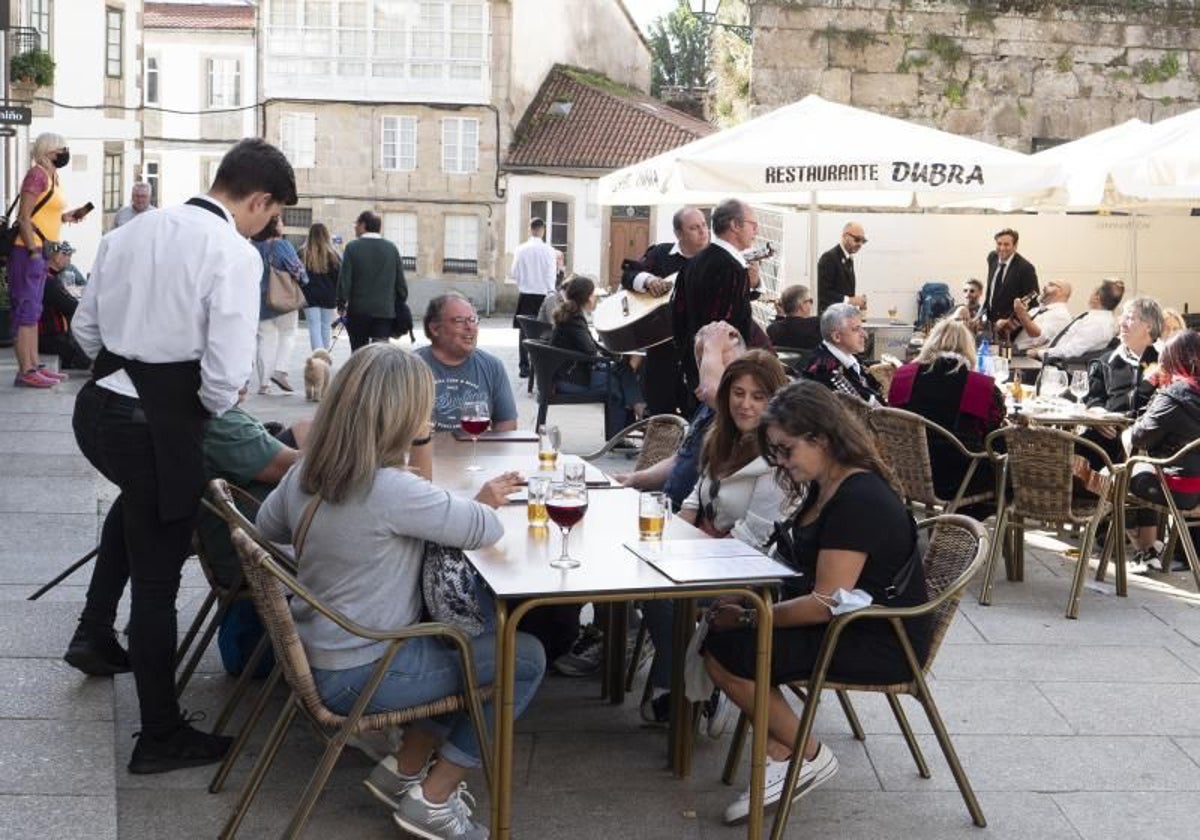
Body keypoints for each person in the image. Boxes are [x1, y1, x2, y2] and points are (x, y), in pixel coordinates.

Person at [65, 137, 296, 774]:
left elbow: (84, 333)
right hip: (156, 425)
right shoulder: (232, 251)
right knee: (159, 579)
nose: (266, 226)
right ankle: (160, 736)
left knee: (142, 516)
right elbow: (224, 375)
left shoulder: (133, 230)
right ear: (258, 199)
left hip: (99, 411)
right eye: (270, 215)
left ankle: (93, 631)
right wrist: (212, 394)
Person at [255, 344, 544, 839]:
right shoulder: (392, 489)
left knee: (462, 646)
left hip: (321, 648)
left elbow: (268, 525)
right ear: (402, 414)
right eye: (423, 406)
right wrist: (426, 439)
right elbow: (485, 527)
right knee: (523, 657)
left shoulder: (309, 471)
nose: (428, 413)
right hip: (361, 673)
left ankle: (403, 771)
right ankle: (433, 799)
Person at [704, 380, 927, 825]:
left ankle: (807, 755)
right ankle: (782, 750)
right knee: (723, 632)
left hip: (877, 638)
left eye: (786, 451)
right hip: (856, 623)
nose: (781, 462)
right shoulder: (828, 483)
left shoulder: (857, 498)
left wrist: (751, 615)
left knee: (727, 650)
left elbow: (826, 603)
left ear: (820, 438)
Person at [641, 351, 791, 725]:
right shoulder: (721, 437)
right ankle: (685, 679)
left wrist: (684, 554)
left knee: (662, 593)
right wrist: (674, 535)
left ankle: (676, 687)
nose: (745, 404)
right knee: (645, 575)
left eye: (758, 396)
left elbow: (755, 537)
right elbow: (696, 497)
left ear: (775, 401)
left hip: (753, 568)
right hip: (708, 550)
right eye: (738, 393)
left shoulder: (779, 458)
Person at [1081, 297, 1164, 571]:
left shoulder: (1163, 361)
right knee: (1078, 454)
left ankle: (1143, 544)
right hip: (1107, 439)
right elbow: (1093, 400)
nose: (1122, 322)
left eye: (1130, 317)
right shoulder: (1106, 362)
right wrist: (1096, 416)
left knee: (1142, 459)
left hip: (1147, 441)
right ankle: (1145, 546)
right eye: (1123, 316)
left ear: (1149, 327)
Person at [887, 318, 1005, 506]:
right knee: (1008, 461)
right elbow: (991, 428)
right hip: (959, 478)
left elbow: (893, 417)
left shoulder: (904, 376)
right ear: (968, 347)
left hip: (907, 472)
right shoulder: (978, 385)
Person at [9, 132, 90, 388]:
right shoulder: (36, 175)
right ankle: (26, 371)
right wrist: (33, 251)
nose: (64, 153)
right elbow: (24, 217)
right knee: (25, 312)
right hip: (27, 251)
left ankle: (34, 365)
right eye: (61, 149)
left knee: (33, 312)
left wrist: (67, 217)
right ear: (49, 150)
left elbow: (45, 214)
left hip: (41, 252)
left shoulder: (53, 176)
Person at [622, 206, 710, 416]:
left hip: (700, 356)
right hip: (661, 351)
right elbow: (629, 274)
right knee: (660, 417)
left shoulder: (715, 261)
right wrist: (648, 280)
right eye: (694, 228)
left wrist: (754, 282)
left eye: (704, 225)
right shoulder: (661, 254)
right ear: (679, 233)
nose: (703, 231)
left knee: (698, 417)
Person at [1128, 330, 1200, 572]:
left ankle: (1142, 548)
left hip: (1179, 490)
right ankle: (1148, 548)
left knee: (1118, 475)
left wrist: (1155, 390)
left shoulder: (1174, 395)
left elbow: (1140, 436)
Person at [672, 199, 761, 391]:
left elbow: (677, 321)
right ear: (735, 225)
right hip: (721, 379)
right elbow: (724, 331)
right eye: (753, 225)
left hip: (696, 373)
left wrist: (692, 370)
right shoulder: (732, 268)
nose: (756, 231)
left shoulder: (692, 263)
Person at [549, 275, 644, 437]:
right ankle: (630, 423)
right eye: (593, 295)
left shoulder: (572, 314)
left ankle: (635, 413)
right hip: (570, 379)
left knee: (623, 369)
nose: (595, 298)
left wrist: (615, 354)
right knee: (616, 384)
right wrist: (613, 355)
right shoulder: (574, 318)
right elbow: (591, 351)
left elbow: (591, 345)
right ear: (586, 297)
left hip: (569, 373)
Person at [415, 293, 518, 432]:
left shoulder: (492, 366)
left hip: (475, 451)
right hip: (424, 452)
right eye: (459, 320)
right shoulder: (409, 368)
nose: (470, 327)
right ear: (434, 328)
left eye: (473, 319)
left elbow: (506, 422)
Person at [337, 210, 408, 351]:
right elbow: (401, 285)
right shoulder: (391, 249)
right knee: (380, 355)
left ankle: (360, 373)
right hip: (384, 312)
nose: (355, 227)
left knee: (358, 353)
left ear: (363, 225)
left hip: (358, 311)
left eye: (356, 224)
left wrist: (341, 303)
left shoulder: (352, 248)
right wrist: (398, 301)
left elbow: (344, 280)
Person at [252, 215, 308, 394]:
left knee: (265, 340)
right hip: (284, 299)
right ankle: (280, 370)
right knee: (288, 334)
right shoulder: (283, 245)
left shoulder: (253, 247)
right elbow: (297, 270)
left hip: (260, 302)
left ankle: (264, 384)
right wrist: (304, 279)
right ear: (274, 227)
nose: (283, 225)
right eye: (281, 222)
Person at [800, 303, 885, 404]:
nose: (864, 335)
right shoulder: (826, 370)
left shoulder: (847, 355)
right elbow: (867, 410)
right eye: (856, 329)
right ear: (836, 337)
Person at [1029, 278, 1123, 362]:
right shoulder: (1097, 319)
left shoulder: (1097, 323)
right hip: (1055, 358)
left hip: (1061, 367)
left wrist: (1040, 353)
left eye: (1093, 292)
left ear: (1096, 297)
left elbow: (1072, 350)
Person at [510, 217, 558, 378]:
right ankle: (539, 367)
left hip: (526, 294)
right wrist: (551, 293)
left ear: (529, 229)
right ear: (543, 230)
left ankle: (524, 367)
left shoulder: (520, 249)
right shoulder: (550, 251)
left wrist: (524, 283)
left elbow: (514, 273)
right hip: (544, 296)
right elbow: (551, 275)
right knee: (545, 332)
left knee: (524, 332)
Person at [38, 240, 92, 371]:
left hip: (48, 336)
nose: (69, 260)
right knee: (85, 357)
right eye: (67, 255)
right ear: (57, 256)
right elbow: (70, 306)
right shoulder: (48, 280)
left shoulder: (48, 276)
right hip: (47, 338)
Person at [981, 227, 1038, 328]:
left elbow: (1033, 301)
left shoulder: (1026, 268)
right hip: (989, 323)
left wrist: (1010, 322)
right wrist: (981, 316)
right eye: (999, 244)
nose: (1002, 248)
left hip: (1009, 329)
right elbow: (991, 293)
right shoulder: (992, 258)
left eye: (1006, 244)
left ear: (1015, 246)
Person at [299, 222, 341, 351]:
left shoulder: (302, 253)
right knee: (325, 326)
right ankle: (324, 359)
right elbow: (338, 278)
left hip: (308, 295)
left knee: (314, 327)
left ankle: (318, 357)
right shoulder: (333, 254)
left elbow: (297, 275)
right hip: (328, 296)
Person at [1010, 279, 1073, 355]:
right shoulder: (1036, 310)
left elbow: (1037, 338)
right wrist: (1007, 322)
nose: (1044, 286)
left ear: (1061, 291)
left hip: (1026, 356)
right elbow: (1015, 329)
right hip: (1012, 348)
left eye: (1051, 284)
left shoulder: (1061, 315)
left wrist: (1022, 314)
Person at [816, 222, 867, 314]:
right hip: (830, 319)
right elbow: (823, 293)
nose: (860, 244)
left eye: (863, 241)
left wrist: (855, 302)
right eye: (857, 239)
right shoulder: (829, 258)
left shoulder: (849, 259)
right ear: (845, 236)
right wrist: (850, 300)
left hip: (843, 317)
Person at [766, 284, 820, 350]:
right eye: (810, 301)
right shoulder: (817, 326)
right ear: (802, 305)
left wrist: (780, 316)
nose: (811, 304)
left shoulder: (772, 330)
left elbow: (782, 328)